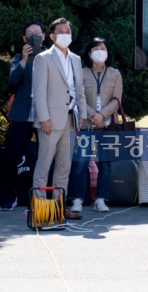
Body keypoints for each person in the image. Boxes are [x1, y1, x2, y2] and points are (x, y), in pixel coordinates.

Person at [31, 18, 88, 219]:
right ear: (53, 36)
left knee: (63, 167)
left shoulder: (76, 59)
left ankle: (58, 209)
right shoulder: (43, 58)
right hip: (50, 121)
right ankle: (40, 210)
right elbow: (38, 92)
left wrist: (82, 113)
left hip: (71, 120)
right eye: (60, 31)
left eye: (67, 31)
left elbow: (79, 89)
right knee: (44, 165)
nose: (64, 34)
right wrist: (44, 118)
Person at [69, 38, 123, 214]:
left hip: (107, 126)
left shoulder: (115, 73)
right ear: (89, 53)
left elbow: (117, 100)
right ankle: (77, 199)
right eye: (96, 48)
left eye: (103, 48)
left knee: (105, 164)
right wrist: (95, 116)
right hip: (86, 125)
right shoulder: (81, 72)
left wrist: (102, 115)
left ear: (107, 53)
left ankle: (101, 199)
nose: (100, 50)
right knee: (81, 163)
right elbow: (78, 98)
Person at [1, 21, 44, 211]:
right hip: (23, 115)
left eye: (37, 33)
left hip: (44, 115)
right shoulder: (18, 57)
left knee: (45, 156)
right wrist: (25, 60)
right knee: (12, 156)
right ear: (24, 38)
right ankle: (11, 196)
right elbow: (12, 79)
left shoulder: (50, 57)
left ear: (43, 36)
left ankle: (43, 196)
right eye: (29, 33)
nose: (34, 36)